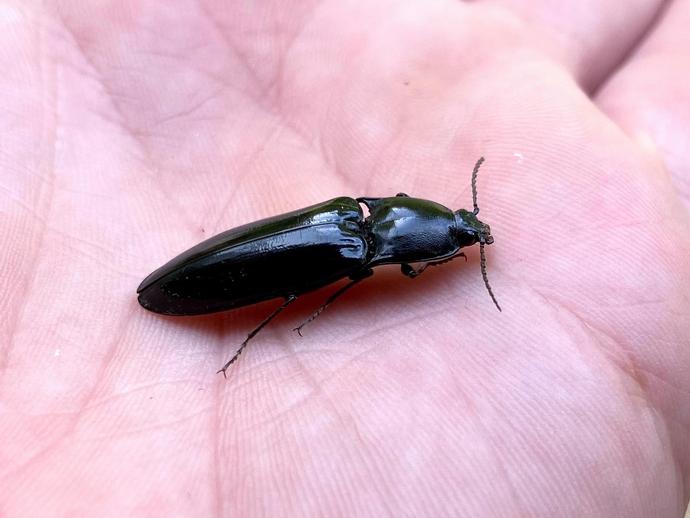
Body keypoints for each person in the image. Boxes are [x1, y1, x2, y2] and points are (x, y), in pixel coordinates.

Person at [1, 1, 688, 516]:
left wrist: (450, 234)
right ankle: (259, 331)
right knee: (290, 292)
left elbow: (411, 253)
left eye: (455, 234)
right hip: (207, 281)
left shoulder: (352, 218)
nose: (457, 239)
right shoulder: (364, 250)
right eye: (454, 233)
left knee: (293, 284)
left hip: (312, 243)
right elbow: (412, 265)